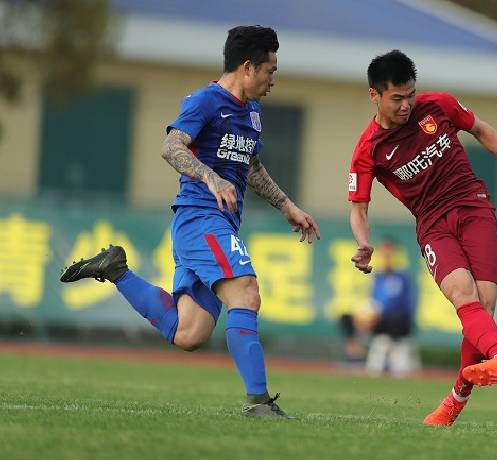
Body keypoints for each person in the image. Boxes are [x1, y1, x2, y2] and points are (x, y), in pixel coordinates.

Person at [60, 26, 320, 419]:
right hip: (201, 218)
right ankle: (259, 403)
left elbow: (250, 166)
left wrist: (286, 205)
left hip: (217, 224)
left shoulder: (252, 112)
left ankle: (116, 270)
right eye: (270, 70)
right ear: (248, 67)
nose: (273, 80)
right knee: (246, 293)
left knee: (189, 334)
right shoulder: (204, 102)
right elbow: (171, 146)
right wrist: (210, 177)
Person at [347, 50, 497, 426]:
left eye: (410, 95)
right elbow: (358, 208)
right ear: (374, 95)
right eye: (397, 98)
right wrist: (363, 242)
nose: (407, 105)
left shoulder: (438, 105)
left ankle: (455, 401)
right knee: (462, 293)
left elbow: (482, 130)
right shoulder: (368, 149)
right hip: (433, 224)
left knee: (483, 305)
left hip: (474, 205)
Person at [363, 237, 418, 377]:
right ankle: (359, 360)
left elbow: (401, 305)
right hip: (382, 322)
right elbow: (374, 302)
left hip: (399, 323)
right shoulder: (378, 277)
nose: (386, 257)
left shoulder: (401, 277)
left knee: (393, 320)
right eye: (383, 253)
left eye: (389, 253)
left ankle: (398, 366)